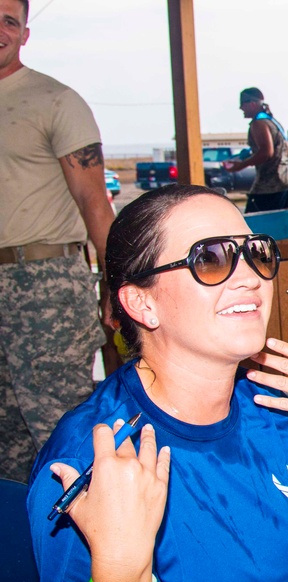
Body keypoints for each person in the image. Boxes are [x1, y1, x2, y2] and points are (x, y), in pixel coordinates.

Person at [26, 185, 288, 582]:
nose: (250, 278)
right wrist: (121, 573)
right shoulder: (95, 463)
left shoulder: (266, 411)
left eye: (256, 253)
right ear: (141, 303)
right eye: (210, 259)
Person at [0, 0, 115, 483]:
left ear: (25, 34)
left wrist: (117, 282)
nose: (0, 30)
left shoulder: (55, 100)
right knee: (7, 441)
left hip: (44, 286)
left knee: (62, 431)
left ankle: (93, 556)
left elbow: (95, 203)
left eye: (9, 20)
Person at [225, 87, 288, 216]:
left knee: (255, 228)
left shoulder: (258, 124)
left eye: (242, 104)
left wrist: (241, 165)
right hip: (286, 181)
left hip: (268, 186)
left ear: (252, 104)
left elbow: (266, 152)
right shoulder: (273, 122)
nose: (240, 108)